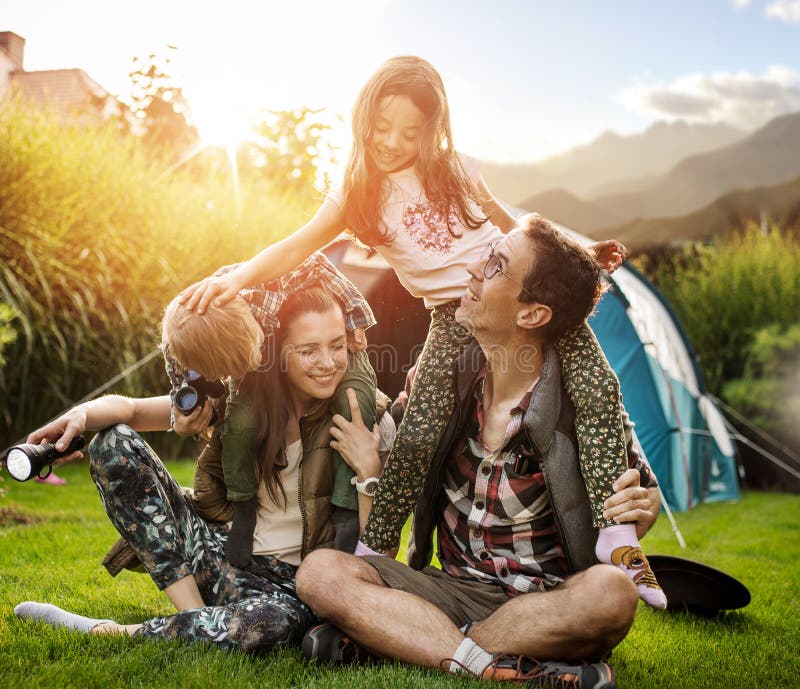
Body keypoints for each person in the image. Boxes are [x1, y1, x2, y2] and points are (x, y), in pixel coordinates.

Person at [179, 55, 664, 607]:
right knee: (418, 433)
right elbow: (296, 245)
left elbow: (514, 227)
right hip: (455, 319)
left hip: (520, 296)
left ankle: (617, 537)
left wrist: (577, 256)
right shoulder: (356, 195)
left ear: (432, 130)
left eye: (410, 132)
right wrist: (239, 277)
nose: (392, 141)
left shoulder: (454, 168)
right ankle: (375, 552)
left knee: (600, 394)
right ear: (363, 120)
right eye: (382, 127)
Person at [294, 216, 662, 689]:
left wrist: (643, 505)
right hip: (447, 588)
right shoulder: (441, 384)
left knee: (612, 594)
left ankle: (411, 641)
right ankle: (497, 663)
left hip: (546, 598)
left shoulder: (579, 400)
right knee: (320, 573)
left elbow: (638, 489)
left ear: (531, 314)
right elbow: (397, 448)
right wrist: (370, 462)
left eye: (494, 265)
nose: (471, 270)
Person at [14, 285, 392, 654]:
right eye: (308, 350)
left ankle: (113, 633)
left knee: (272, 626)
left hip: (293, 589)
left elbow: (381, 559)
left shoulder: (368, 420)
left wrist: (368, 470)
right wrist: (79, 416)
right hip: (218, 553)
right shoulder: (242, 402)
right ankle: (195, 615)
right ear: (276, 352)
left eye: (337, 346)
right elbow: (130, 410)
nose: (328, 363)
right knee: (113, 444)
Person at [163, 250, 380, 567]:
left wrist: (354, 320)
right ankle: (244, 506)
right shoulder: (187, 338)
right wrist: (178, 412)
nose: (243, 372)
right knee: (241, 419)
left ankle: (346, 512)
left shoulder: (261, 288)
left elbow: (317, 262)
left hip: (342, 327)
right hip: (291, 337)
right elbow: (178, 379)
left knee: (355, 406)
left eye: (246, 360)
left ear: (255, 332)